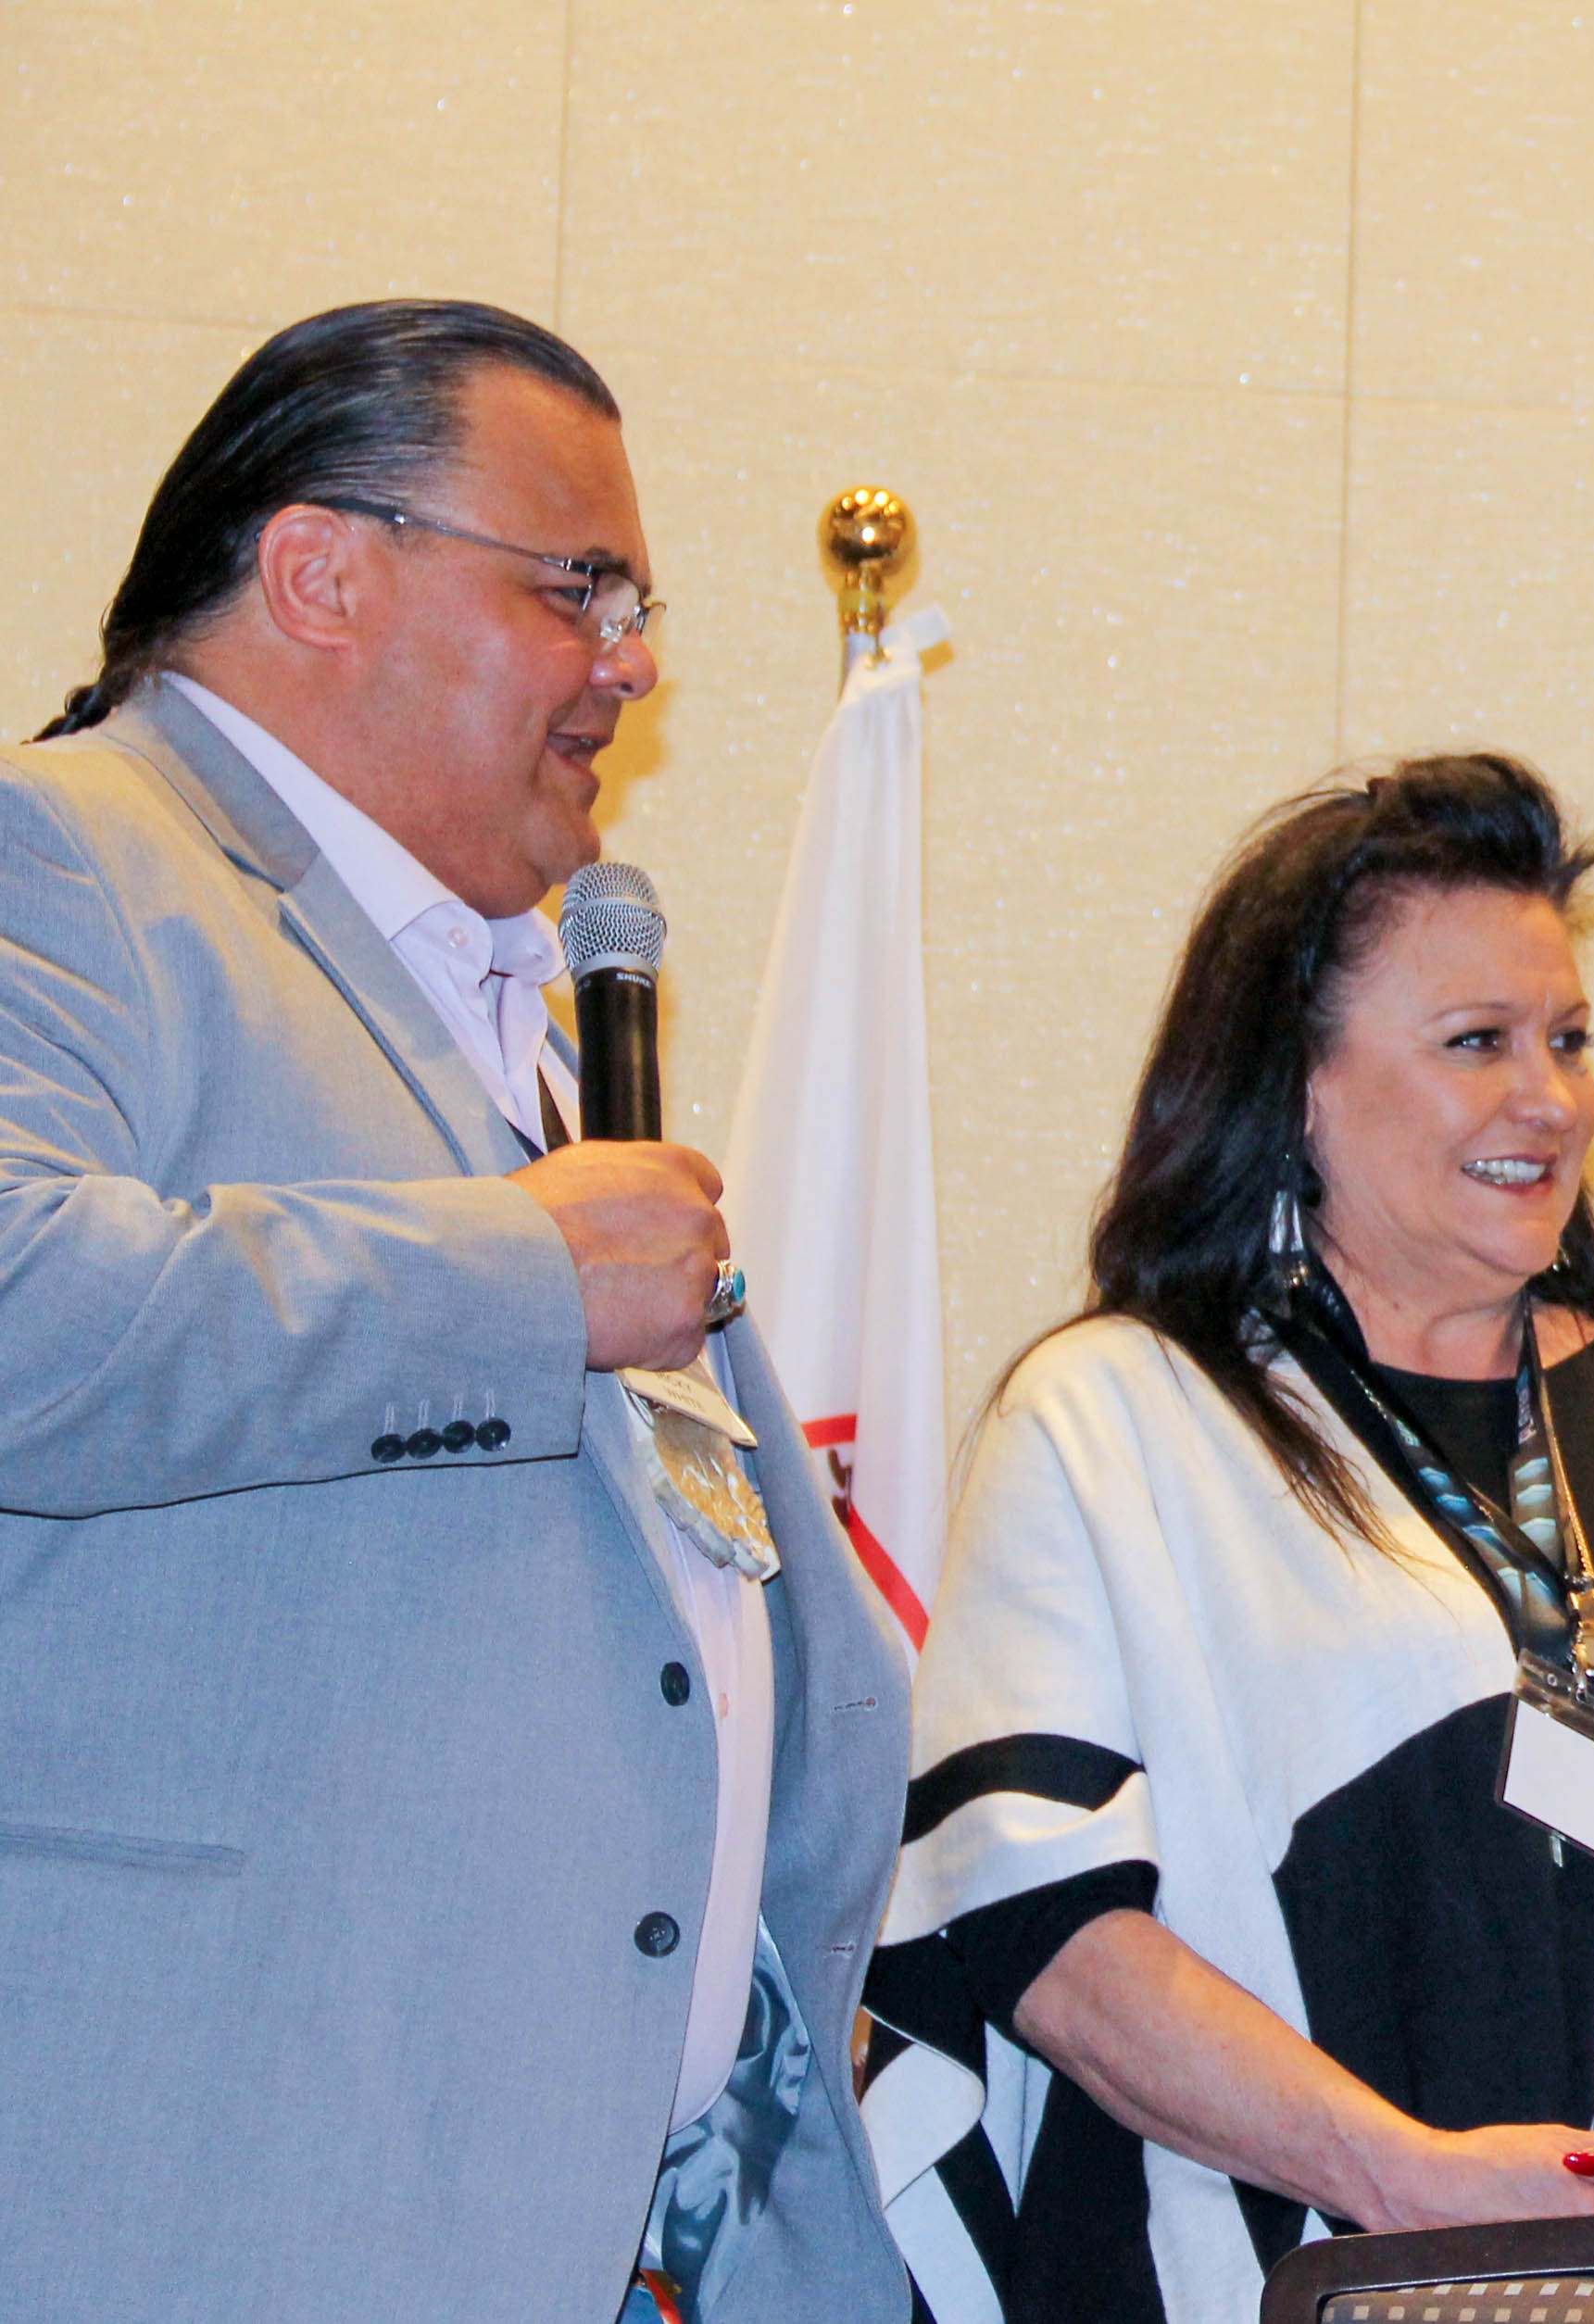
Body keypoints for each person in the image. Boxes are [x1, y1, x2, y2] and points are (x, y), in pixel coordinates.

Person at [866, 756, 1594, 2320]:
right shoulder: (1115, 1425)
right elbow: (1041, 1925)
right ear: (1299, 1081)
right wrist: (1405, 2186)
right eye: (1477, 1041)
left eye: (1569, 1039)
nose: (1548, 1099)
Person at [0, 301, 909, 2320]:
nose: (634, 661)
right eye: (579, 586)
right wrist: (525, 1273)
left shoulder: (500, 987)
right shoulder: (71, 857)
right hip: (218, 2204)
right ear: (320, 572)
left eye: (636, 604)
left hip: (582, 2224)